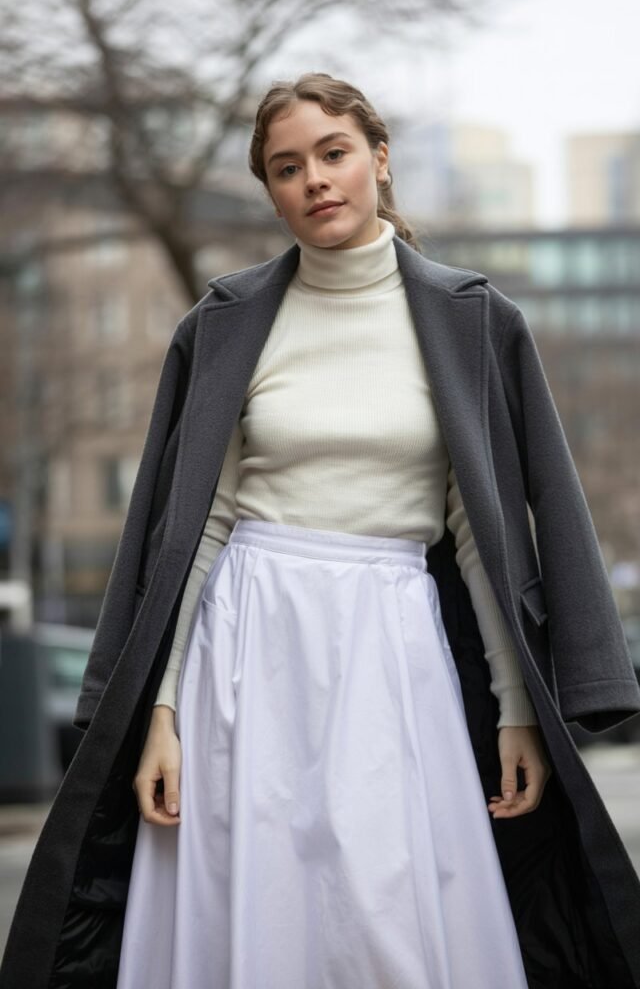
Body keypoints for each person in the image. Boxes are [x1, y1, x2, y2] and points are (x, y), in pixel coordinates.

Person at [2, 73, 640, 989]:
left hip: (395, 645)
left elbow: (482, 531)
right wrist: (162, 717)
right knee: (246, 908)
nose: (316, 181)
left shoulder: (474, 319)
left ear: (379, 158)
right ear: (270, 188)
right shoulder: (224, 322)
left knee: (388, 912)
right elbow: (196, 532)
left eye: (333, 155)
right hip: (246, 645)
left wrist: (515, 712)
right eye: (286, 167)